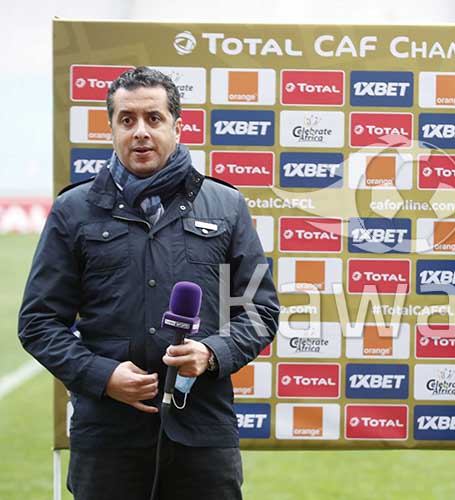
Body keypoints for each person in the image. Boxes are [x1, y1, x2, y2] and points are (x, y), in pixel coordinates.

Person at [18, 67, 279, 500]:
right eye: (127, 120)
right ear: (111, 129)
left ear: (177, 125)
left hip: (202, 433)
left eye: (153, 119)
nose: (140, 132)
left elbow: (259, 310)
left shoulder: (227, 205)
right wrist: (102, 376)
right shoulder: (73, 211)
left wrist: (213, 353)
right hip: (107, 438)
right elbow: (39, 322)